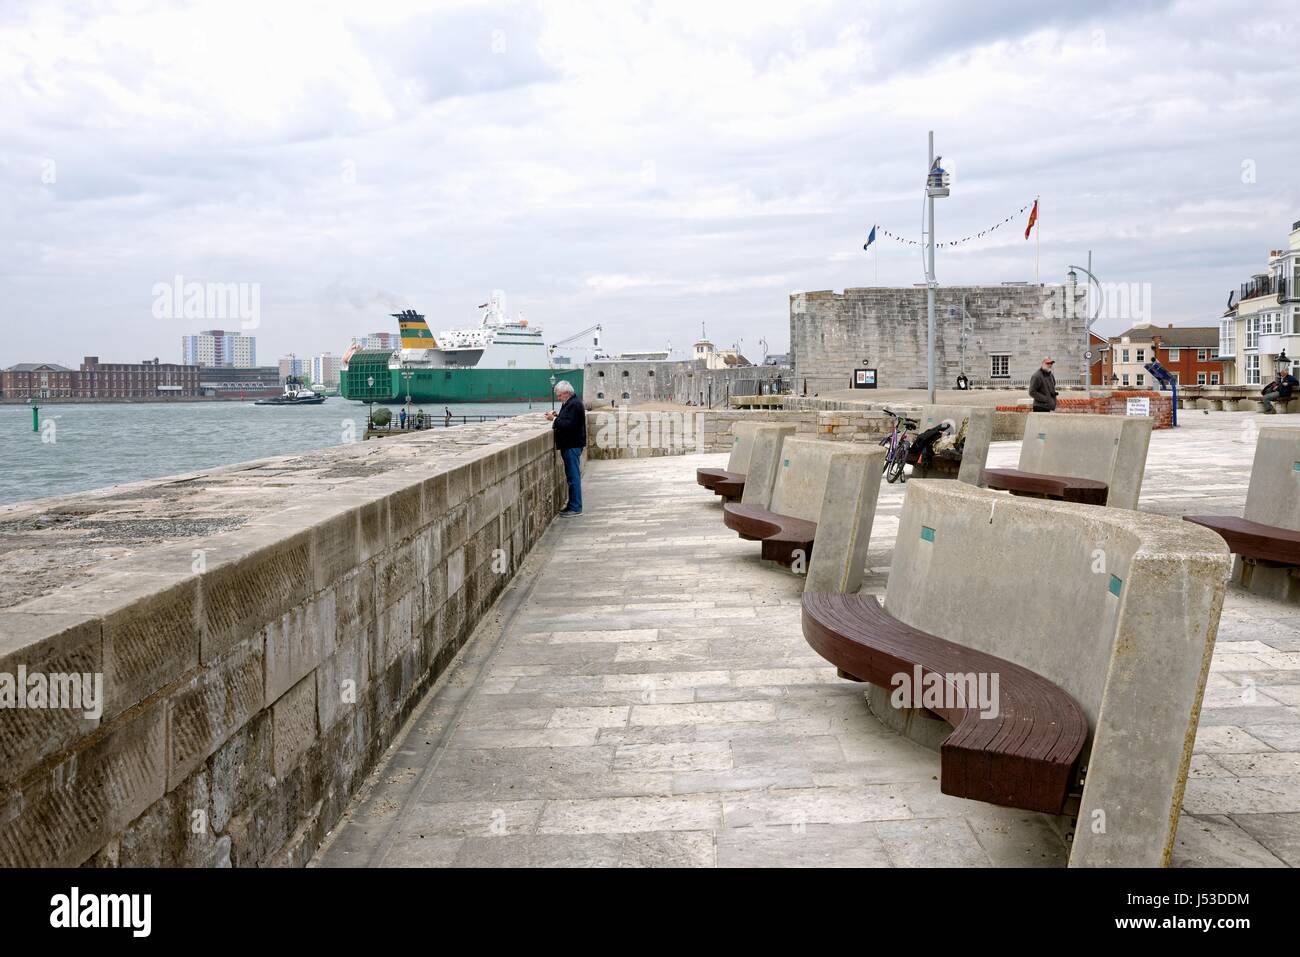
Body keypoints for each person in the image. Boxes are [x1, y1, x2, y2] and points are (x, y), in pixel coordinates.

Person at [545, 380, 585, 515]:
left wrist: (554, 420)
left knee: (573, 477)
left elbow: (569, 425)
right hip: (571, 445)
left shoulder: (573, 405)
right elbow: (569, 420)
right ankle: (572, 505)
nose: (558, 398)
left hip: (572, 445)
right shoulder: (571, 403)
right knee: (572, 477)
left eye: (560, 395)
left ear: (567, 393)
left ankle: (575, 507)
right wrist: (557, 416)